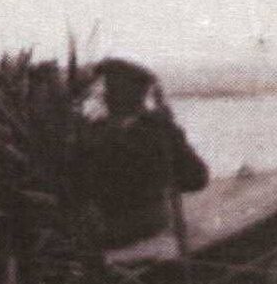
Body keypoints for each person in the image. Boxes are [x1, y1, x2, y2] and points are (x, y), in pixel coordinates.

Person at [77, 58, 209, 246]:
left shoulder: (94, 131)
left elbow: (196, 178)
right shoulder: (158, 129)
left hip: (116, 233)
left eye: (109, 89)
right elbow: (196, 179)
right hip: (138, 229)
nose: (104, 95)